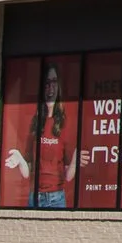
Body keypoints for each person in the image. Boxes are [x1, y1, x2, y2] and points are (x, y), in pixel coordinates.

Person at [32, 60, 78, 209]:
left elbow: (68, 175)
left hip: (56, 197)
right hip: (35, 196)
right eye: (47, 83)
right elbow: (27, 164)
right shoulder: (35, 123)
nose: (50, 87)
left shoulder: (65, 125)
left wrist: (76, 158)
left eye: (54, 82)